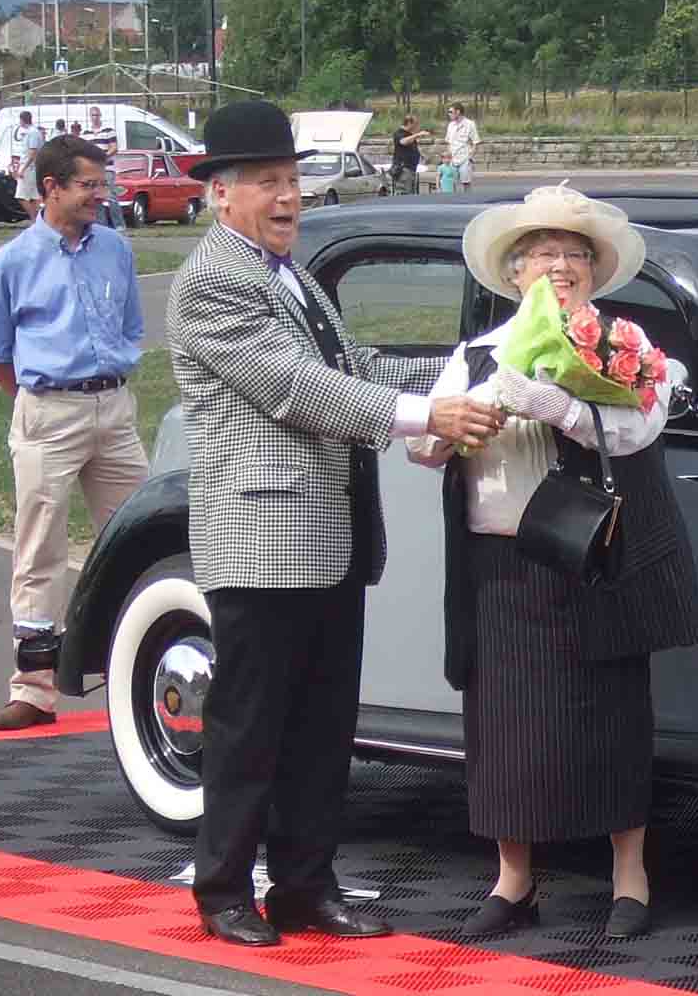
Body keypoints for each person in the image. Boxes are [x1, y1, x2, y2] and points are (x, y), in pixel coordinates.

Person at [167, 100, 501, 948]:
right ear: (221, 196)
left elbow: (357, 367)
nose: (289, 199)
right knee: (249, 728)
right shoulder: (214, 281)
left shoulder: (294, 275)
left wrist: (485, 374)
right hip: (262, 544)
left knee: (321, 728)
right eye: (269, 183)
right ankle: (222, 891)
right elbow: (295, 387)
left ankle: (306, 886)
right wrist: (430, 414)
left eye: (294, 182)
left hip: (328, 537)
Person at [407, 184, 698, 942]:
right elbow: (422, 446)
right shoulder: (475, 354)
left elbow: (639, 432)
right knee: (505, 725)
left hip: (592, 557)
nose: (561, 265)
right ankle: (514, 882)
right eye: (545, 252)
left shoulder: (626, 347)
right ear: (515, 270)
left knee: (611, 716)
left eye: (577, 254)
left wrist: (554, 405)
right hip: (499, 563)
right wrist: (455, 426)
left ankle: (629, 879)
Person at [0, 135, 150, 729]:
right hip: (49, 413)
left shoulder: (116, 250)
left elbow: (129, 324)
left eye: (104, 185)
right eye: (89, 186)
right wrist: (41, 401)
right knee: (40, 550)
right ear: (51, 188)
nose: (101, 195)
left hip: (114, 410)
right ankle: (34, 688)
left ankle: (141, 669)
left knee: (141, 538)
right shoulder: (13, 261)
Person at [10, 111, 46, 219]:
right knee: (34, 197)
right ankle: (39, 220)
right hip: (30, 167)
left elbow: (32, 153)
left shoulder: (32, 133)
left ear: (22, 120)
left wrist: (22, 169)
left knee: (21, 196)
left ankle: (35, 219)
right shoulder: (32, 132)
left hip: (29, 168)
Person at [390, 114, 430, 194]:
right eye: (415, 124)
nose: (416, 127)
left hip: (411, 170)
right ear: (409, 123)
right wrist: (417, 135)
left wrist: (420, 155)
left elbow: (411, 147)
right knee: (405, 194)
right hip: (404, 170)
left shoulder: (410, 134)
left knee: (411, 193)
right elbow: (403, 142)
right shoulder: (399, 133)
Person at [445, 102, 479, 192]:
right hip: (452, 158)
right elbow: (448, 142)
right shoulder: (450, 125)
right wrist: (448, 157)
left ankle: (468, 201)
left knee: (466, 182)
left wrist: (470, 157)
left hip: (464, 158)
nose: (449, 114)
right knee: (450, 182)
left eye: (450, 112)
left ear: (458, 112)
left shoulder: (470, 124)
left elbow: (475, 142)